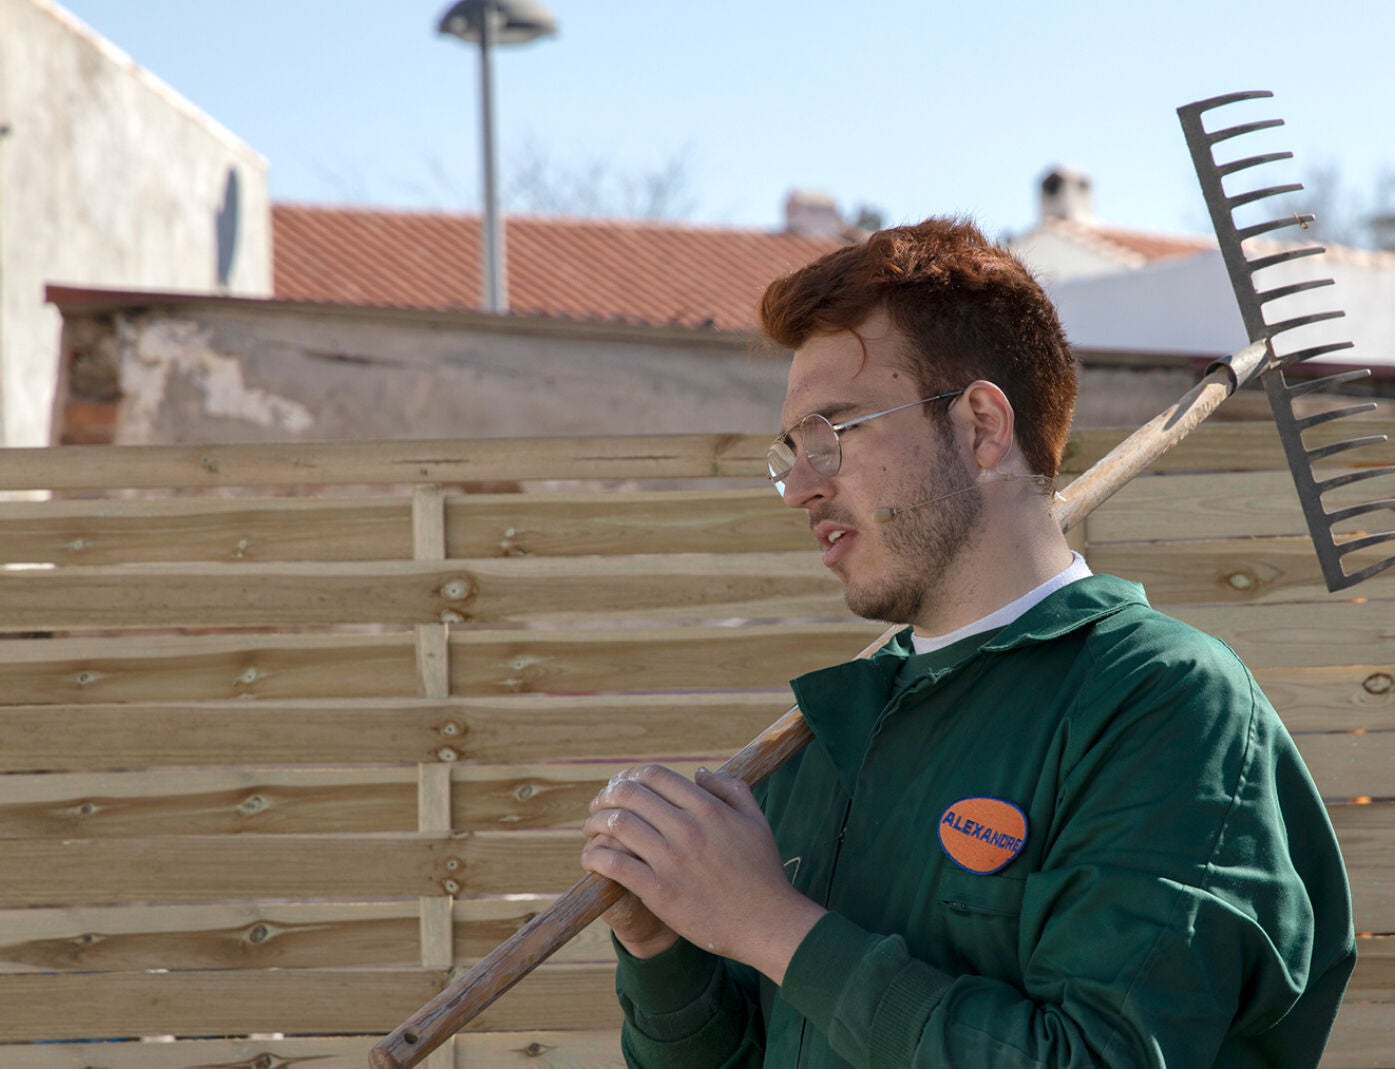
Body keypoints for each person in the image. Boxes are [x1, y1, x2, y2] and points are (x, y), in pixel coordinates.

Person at [580, 217, 1354, 1067]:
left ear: (982, 426)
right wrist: (665, 947)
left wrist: (770, 924)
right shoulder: (824, 738)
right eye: (791, 451)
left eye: (832, 435)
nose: (800, 486)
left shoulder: (1161, 701)